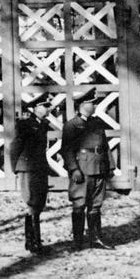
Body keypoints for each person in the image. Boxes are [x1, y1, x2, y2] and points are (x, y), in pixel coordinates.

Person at [60, 89, 115, 250]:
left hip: (99, 167)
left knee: (96, 204)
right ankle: (78, 241)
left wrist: (110, 166)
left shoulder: (97, 123)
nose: (95, 105)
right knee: (79, 204)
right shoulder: (72, 125)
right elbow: (67, 150)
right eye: (92, 103)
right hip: (82, 170)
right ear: (83, 105)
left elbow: (105, 147)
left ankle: (95, 238)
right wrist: (73, 169)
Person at [10, 101, 51, 254]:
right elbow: (15, 146)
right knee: (32, 203)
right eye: (45, 106)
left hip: (39, 167)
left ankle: (32, 241)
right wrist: (16, 168)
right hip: (27, 168)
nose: (49, 109)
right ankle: (34, 243)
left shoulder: (43, 124)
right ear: (36, 108)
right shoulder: (25, 124)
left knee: (39, 203)